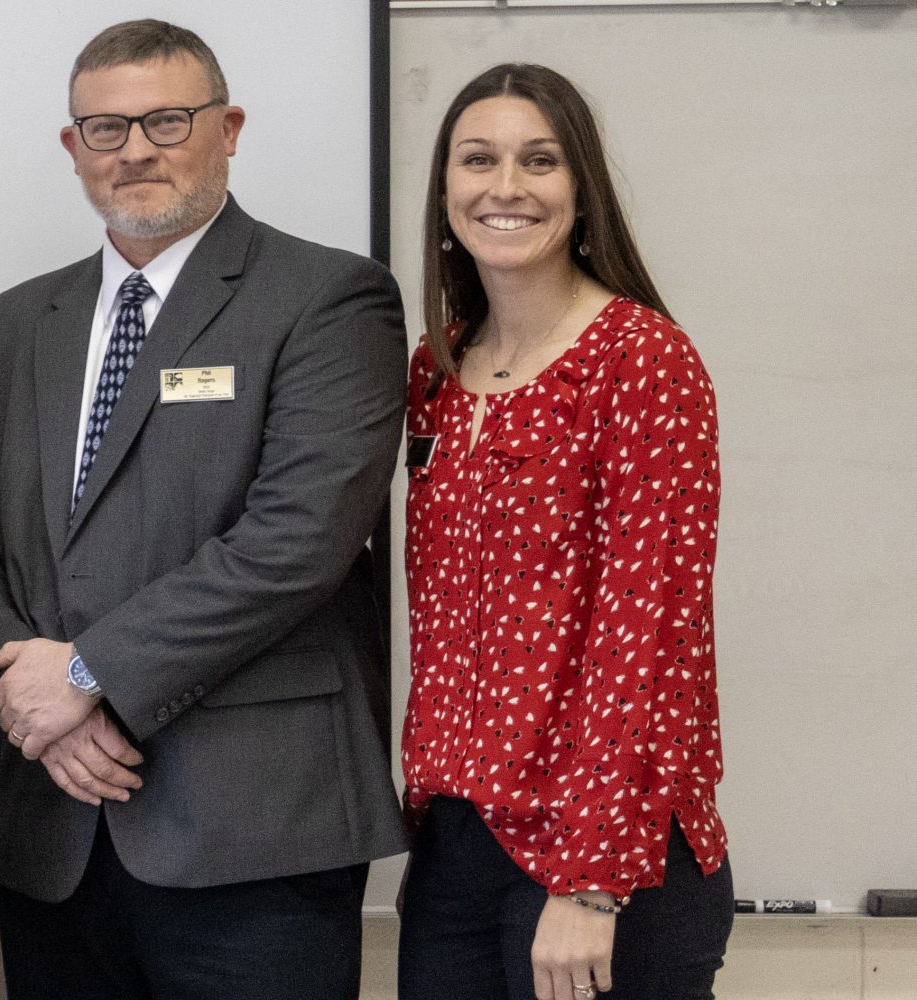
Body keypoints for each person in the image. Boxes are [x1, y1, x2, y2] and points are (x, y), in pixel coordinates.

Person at [0, 18, 409, 999]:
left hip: (254, 835)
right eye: (106, 129)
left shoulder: (328, 298)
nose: (135, 150)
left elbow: (297, 540)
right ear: (73, 149)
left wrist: (85, 672)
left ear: (227, 129)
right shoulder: (11, 325)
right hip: (55, 828)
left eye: (167, 120)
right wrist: (39, 704)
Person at [399, 63, 732, 1000]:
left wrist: (592, 878)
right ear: (445, 191)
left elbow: (653, 635)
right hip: (458, 843)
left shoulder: (643, 360)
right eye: (478, 160)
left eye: (539, 161)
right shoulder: (437, 367)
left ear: (581, 191)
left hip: (603, 855)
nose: (505, 187)